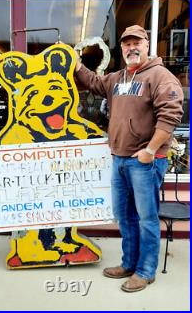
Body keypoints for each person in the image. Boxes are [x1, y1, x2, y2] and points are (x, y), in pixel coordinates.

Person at [74, 25, 184, 292]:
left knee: (146, 218)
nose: (131, 48)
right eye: (126, 44)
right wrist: (76, 65)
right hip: (120, 160)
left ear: (147, 44)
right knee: (125, 217)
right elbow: (94, 83)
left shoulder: (160, 76)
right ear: (121, 48)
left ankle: (146, 271)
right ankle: (129, 263)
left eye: (137, 43)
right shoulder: (118, 78)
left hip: (145, 162)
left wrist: (150, 151)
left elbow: (170, 116)